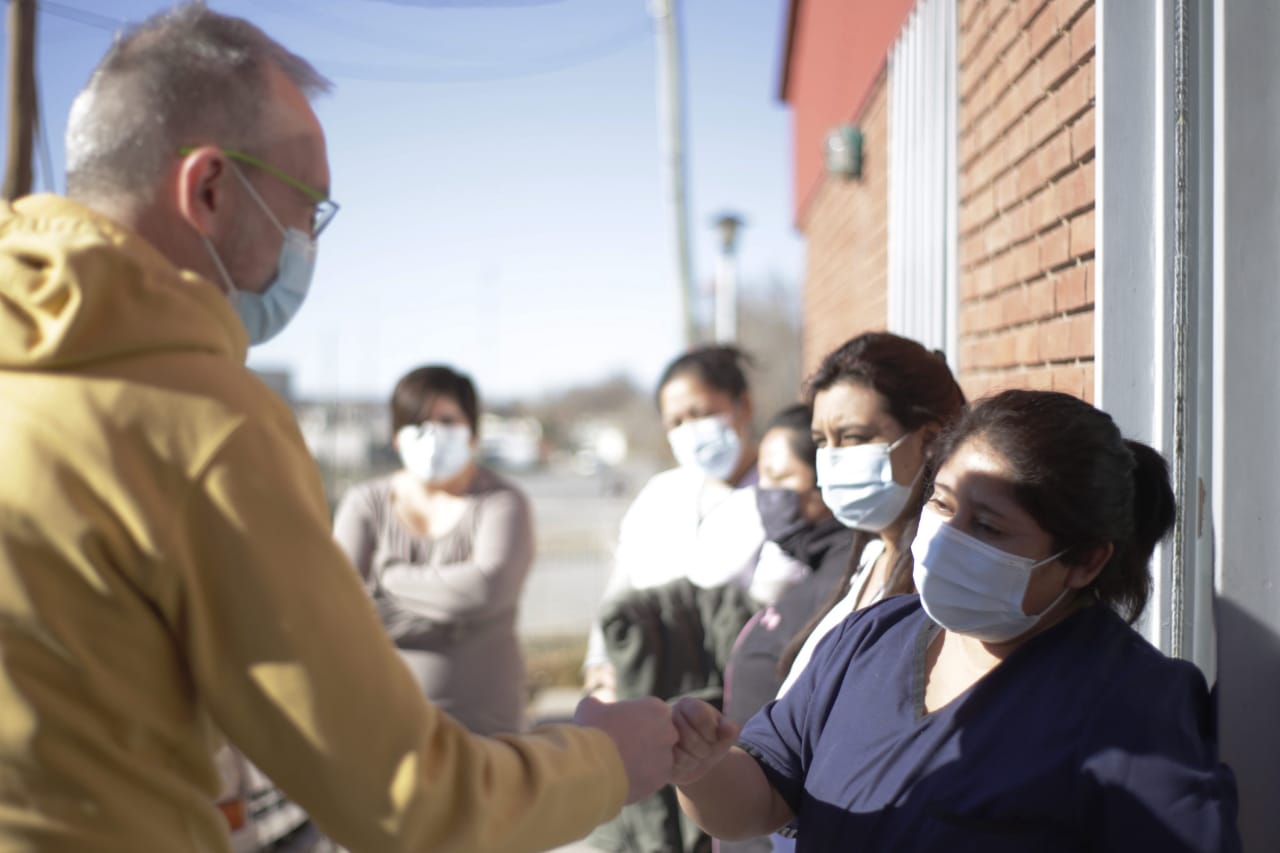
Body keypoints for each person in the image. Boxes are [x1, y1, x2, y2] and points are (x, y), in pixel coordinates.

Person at [0, 6, 676, 851]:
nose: (307, 243)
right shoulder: (201, 422)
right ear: (209, 189)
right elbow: (408, 798)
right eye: (306, 206)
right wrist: (607, 758)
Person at [670, 390, 1242, 852]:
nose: (946, 538)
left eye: (988, 527)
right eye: (941, 503)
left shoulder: (1134, 704)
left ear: (1085, 561)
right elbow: (763, 797)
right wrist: (700, 767)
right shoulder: (872, 637)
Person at [333, 365, 533, 735]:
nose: (433, 435)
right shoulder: (365, 504)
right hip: (380, 728)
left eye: (447, 421)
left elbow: (485, 590)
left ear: (472, 432)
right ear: (396, 436)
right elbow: (338, 609)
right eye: (418, 423)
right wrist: (456, 621)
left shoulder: (502, 502)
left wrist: (388, 576)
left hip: (486, 730)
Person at [774, 332, 965, 696]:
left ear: (930, 440)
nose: (832, 458)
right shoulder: (870, 555)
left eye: (854, 437)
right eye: (821, 441)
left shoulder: (946, 586)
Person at [583, 344, 760, 699]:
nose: (689, 430)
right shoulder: (660, 494)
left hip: (737, 695)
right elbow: (621, 585)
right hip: (647, 689)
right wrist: (599, 666)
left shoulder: (777, 495)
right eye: (676, 422)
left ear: (743, 405)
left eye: (701, 413)